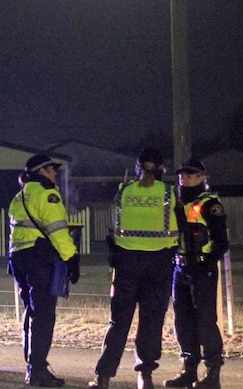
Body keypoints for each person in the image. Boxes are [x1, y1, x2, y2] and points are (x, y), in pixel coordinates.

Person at [89, 148, 178, 389]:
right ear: (162, 170)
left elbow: (115, 225)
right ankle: (145, 376)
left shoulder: (123, 192)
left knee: (119, 322)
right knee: (151, 321)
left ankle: (103, 376)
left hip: (126, 263)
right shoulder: (170, 193)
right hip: (159, 263)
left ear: (138, 168)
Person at [9, 154, 80, 387]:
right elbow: (58, 230)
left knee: (32, 312)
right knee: (44, 316)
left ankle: (33, 365)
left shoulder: (19, 197)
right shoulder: (47, 194)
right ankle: (37, 370)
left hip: (18, 258)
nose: (55, 173)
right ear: (41, 172)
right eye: (52, 170)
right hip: (39, 259)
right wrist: (71, 258)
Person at [164, 158, 229, 389]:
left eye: (191, 175)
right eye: (182, 175)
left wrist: (208, 263)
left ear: (202, 178)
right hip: (180, 269)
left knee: (205, 323)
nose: (185, 179)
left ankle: (213, 374)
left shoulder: (209, 204)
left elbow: (222, 241)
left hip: (202, 270)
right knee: (182, 322)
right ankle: (188, 370)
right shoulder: (175, 202)